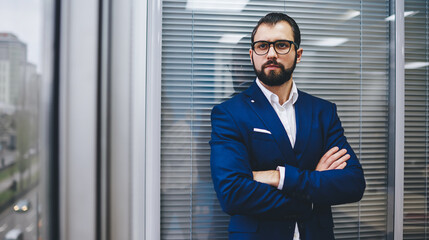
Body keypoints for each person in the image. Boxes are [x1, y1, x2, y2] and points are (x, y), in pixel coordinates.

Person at [209, 12, 366, 240]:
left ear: (298, 54)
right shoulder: (229, 113)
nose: (271, 54)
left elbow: (352, 183)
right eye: (262, 46)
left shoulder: (323, 112)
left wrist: (278, 176)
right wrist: (312, 194)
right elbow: (233, 193)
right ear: (252, 55)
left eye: (281, 45)